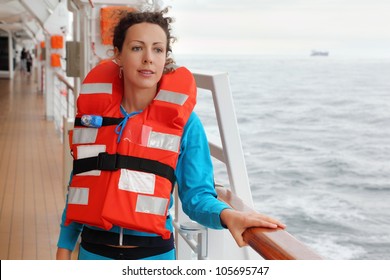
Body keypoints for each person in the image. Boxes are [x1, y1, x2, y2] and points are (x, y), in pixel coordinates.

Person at [56, 8, 285, 260]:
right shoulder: (94, 118)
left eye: (157, 49)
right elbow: (80, 185)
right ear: (118, 55)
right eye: (136, 48)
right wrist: (64, 245)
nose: (148, 59)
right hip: (93, 253)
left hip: (154, 257)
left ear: (165, 57)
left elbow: (197, 196)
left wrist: (228, 215)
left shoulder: (186, 124)